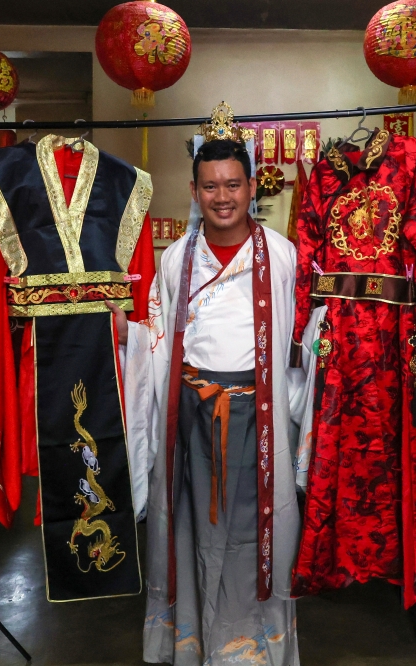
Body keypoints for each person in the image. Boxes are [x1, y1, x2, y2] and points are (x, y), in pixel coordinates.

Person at [112, 103, 303, 666]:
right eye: (210, 186)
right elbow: (159, 344)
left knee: (257, 542)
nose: (223, 197)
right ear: (194, 192)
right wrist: (125, 335)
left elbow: (295, 346)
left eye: (233, 185)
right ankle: (195, 649)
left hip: (258, 421)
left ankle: (254, 652)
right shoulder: (175, 260)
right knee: (191, 535)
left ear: (251, 189)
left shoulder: (283, 258)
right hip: (193, 419)